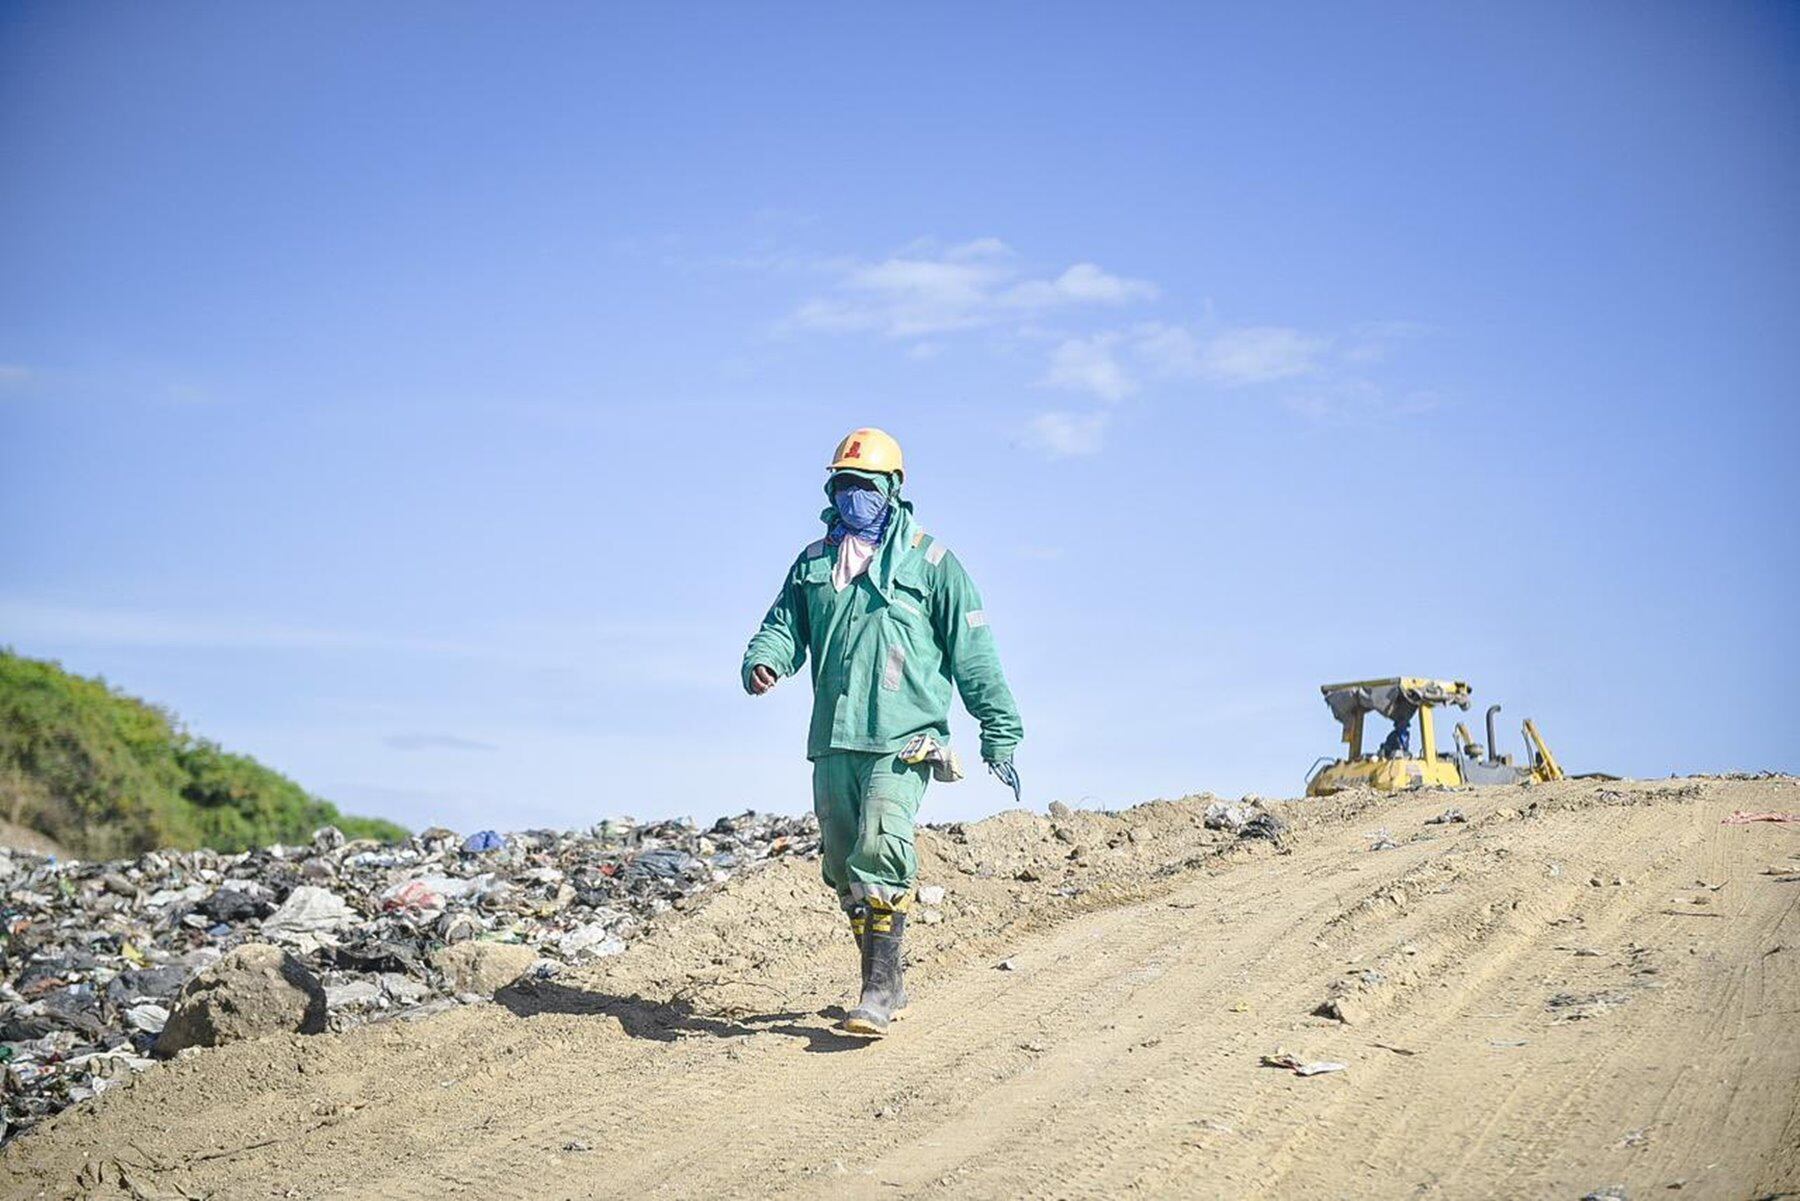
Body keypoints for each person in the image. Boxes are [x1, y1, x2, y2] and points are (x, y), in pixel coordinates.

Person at [741, 428, 1023, 1036]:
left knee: (881, 843)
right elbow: (783, 627)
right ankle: (886, 978)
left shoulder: (932, 564)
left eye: (865, 486)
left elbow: (974, 653)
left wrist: (999, 731)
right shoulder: (815, 563)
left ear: (893, 489)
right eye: (843, 485)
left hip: (903, 737)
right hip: (833, 740)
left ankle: (874, 991)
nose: (853, 497)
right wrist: (764, 660)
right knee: (844, 862)